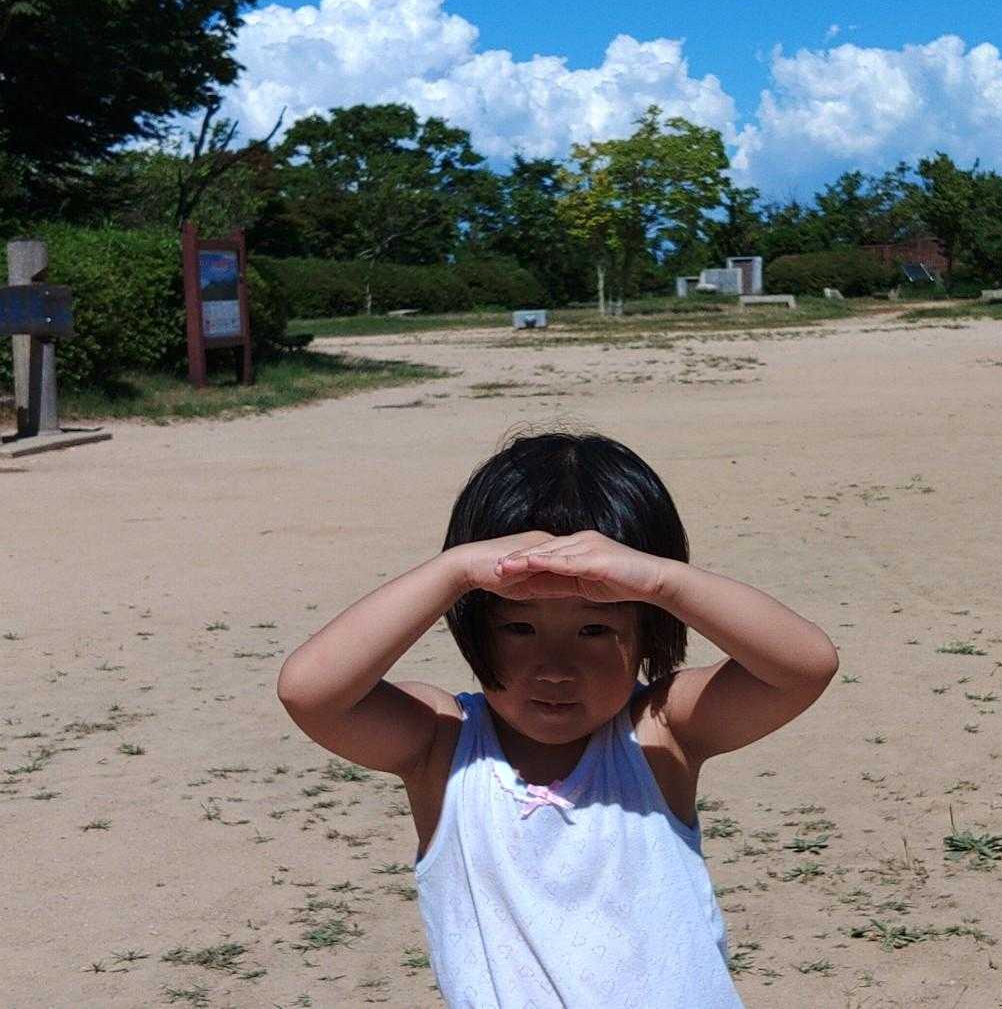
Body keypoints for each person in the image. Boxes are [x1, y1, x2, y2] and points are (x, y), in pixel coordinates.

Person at [277, 430, 839, 1008]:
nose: (554, 669)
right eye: (519, 627)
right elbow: (311, 693)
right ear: (474, 623)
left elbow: (803, 668)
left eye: (595, 629)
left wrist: (661, 579)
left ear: (648, 626)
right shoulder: (442, 745)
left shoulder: (659, 731)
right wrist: (455, 572)